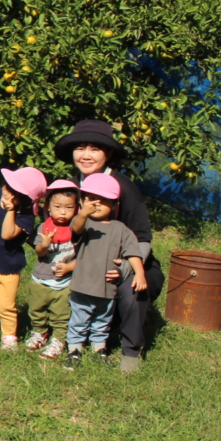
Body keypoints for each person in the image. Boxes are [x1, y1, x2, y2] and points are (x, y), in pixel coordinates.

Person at [54, 119, 165, 373]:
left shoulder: (124, 187)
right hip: (83, 262)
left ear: (109, 153)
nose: (86, 155)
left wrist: (127, 267)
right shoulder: (70, 186)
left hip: (128, 261)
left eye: (94, 148)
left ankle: (131, 352)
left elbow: (143, 238)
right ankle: (60, 336)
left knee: (132, 291)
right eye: (80, 148)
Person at [62, 175, 149, 370]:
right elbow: (74, 229)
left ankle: (99, 349)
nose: (97, 204)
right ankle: (74, 350)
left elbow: (133, 252)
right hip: (83, 285)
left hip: (108, 288)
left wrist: (140, 273)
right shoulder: (85, 223)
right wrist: (83, 214)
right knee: (79, 319)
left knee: (103, 321)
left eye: (104, 200)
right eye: (91, 199)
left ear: (115, 204)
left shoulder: (121, 229)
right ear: (83, 201)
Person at [0, 167, 46, 352]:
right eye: (7, 184)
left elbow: (7, 233)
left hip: (7, 266)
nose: (5, 190)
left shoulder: (26, 216)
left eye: (13, 190)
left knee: (6, 306)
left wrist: (11, 211)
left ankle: (9, 337)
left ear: (24, 199)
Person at [25, 180, 79, 360]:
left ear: (76, 208)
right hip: (40, 279)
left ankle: (58, 340)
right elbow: (39, 252)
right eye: (58, 207)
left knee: (61, 314)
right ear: (48, 207)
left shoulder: (76, 230)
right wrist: (45, 245)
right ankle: (39, 333)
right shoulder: (43, 227)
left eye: (69, 207)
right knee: (37, 310)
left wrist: (70, 267)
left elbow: (84, 256)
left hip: (64, 284)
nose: (63, 212)